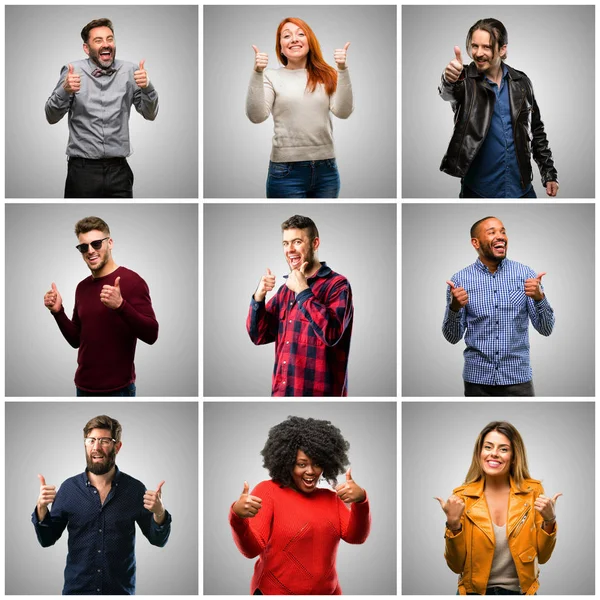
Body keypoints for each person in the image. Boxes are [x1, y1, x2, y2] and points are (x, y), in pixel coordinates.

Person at [229, 416, 370, 595]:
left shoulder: (331, 499)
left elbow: (356, 537)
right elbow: (251, 550)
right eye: (301, 464)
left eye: (317, 464)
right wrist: (238, 518)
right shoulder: (268, 491)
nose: (310, 472)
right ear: (287, 463)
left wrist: (361, 501)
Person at [32, 415, 171, 594]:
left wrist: (159, 513)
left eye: (104, 441)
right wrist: (41, 509)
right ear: (85, 444)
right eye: (91, 440)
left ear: (117, 446)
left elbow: (158, 540)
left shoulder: (135, 489)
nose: (96, 447)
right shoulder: (69, 489)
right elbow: (47, 539)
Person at [435, 421, 560, 595]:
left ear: (514, 456)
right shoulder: (462, 497)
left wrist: (550, 520)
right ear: (480, 452)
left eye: (503, 449)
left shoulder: (533, 492)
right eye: (488, 447)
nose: (494, 454)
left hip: (521, 592)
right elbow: (456, 566)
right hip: (474, 593)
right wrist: (453, 524)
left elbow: (544, 557)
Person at [439, 18, 558, 198]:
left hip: (522, 188)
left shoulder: (522, 82)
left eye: (486, 47)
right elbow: (447, 92)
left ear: (503, 49)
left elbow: (537, 130)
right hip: (479, 190)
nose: (478, 53)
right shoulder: (464, 80)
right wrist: (448, 79)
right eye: (474, 46)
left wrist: (548, 173)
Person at [43, 216, 158, 396]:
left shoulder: (132, 281)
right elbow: (76, 340)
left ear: (110, 243)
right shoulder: (82, 287)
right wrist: (58, 312)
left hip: (119, 389)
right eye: (84, 247)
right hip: (82, 387)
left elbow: (152, 334)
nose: (90, 251)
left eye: (96, 244)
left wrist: (120, 305)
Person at [45, 18, 159, 198]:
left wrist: (147, 87)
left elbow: (150, 114)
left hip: (119, 172)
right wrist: (64, 90)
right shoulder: (73, 71)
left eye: (110, 39)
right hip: (82, 171)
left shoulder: (130, 71)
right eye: (98, 40)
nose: (106, 45)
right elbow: (51, 116)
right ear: (86, 48)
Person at [442, 216, 554, 397]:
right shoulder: (459, 281)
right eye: (492, 232)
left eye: (503, 231)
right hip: (477, 381)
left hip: (518, 379)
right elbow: (452, 337)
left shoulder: (526, 275)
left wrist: (539, 298)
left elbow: (546, 329)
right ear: (475, 242)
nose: (500, 236)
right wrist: (454, 308)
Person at [246, 214, 353, 396]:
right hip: (282, 394)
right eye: (285, 243)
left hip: (320, 397)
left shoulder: (338, 285)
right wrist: (259, 296)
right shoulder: (285, 290)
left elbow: (332, 334)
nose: (290, 250)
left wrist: (303, 291)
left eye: (297, 242)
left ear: (315, 243)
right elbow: (258, 336)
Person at [247, 17, 353, 198]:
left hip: (326, 171)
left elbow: (343, 112)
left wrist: (342, 70)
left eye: (301, 34)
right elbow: (256, 116)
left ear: (309, 41)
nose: (294, 39)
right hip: (286, 172)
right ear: (280, 47)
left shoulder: (328, 75)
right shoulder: (271, 76)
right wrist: (257, 72)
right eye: (286, 36)